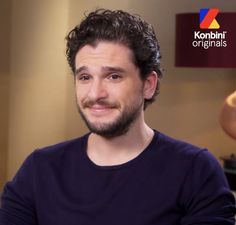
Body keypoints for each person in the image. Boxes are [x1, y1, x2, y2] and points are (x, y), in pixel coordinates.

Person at [0, 9, 235, 225]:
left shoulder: (196, 171)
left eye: (113, 76)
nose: (95, 94)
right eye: (85, 77)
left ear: (148, 85)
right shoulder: (40, 170)